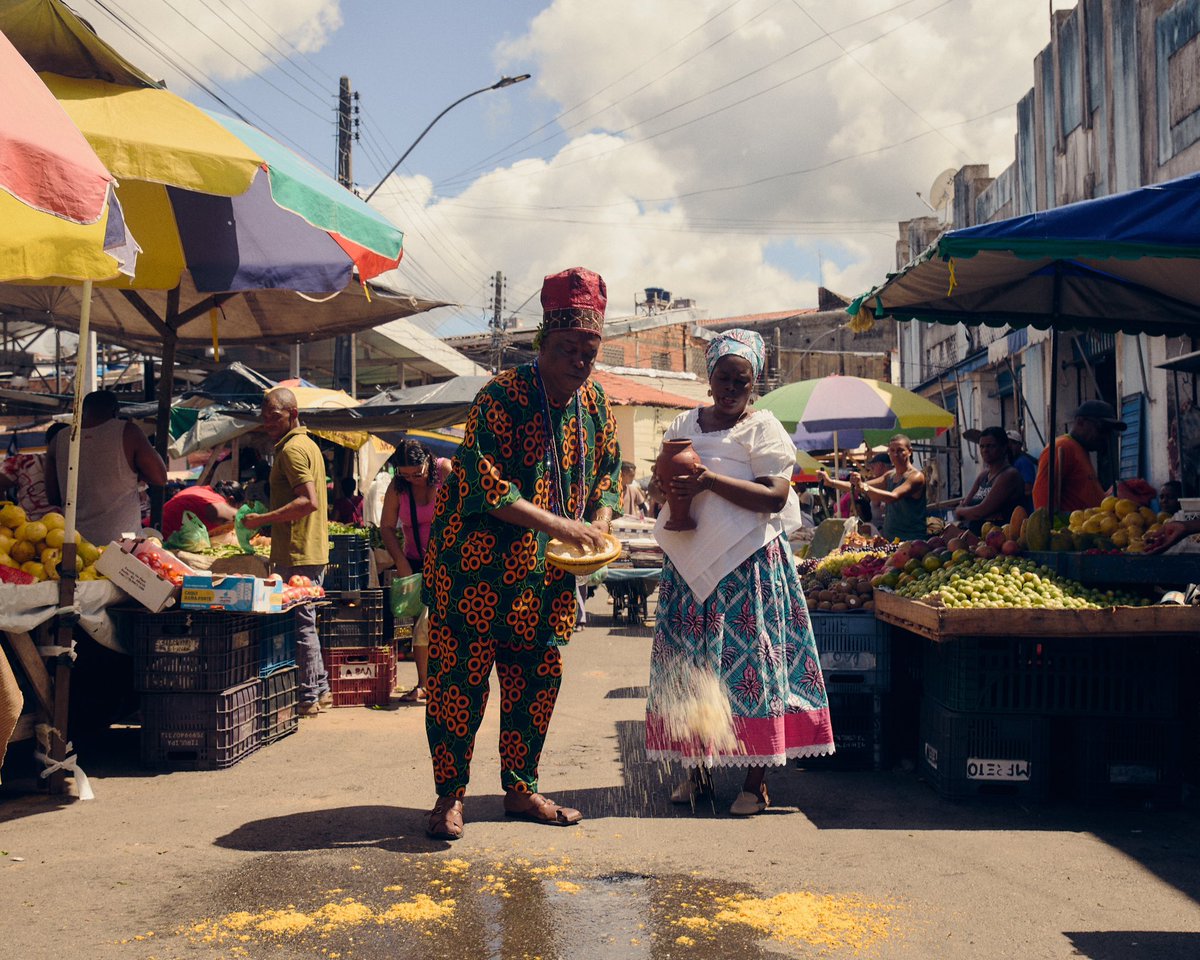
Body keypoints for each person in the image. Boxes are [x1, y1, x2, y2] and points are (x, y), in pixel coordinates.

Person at [421, 266, 621, 842]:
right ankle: (448, 797)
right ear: (542, 343)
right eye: (566, 350)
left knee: (536, 683)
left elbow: (608, 474)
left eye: (588, 351)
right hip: (473, 574)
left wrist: (600, 519)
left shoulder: (596, 406)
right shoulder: (500, 398)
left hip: (547, 579)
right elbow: (488, 487)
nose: (579, 363)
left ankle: (520, 788)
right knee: (458, 686)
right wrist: (561, 522)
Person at [647, 329, 834, 816]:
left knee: (751, 669)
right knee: (692, 668)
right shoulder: (685, 423)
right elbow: (657, 486)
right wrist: (663, 483)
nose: (731, 388)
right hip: (689, 569)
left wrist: (706, 479)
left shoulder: (764, 427)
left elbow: (774, 497)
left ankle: (756, 782)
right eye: (723, 378)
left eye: (742, 381)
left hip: (748, 569)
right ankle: (697, 772)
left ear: (754, 383)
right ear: (709, 379)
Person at [241, 388, 331, 718]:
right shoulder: (306, 445)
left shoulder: (292, 450)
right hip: (307, 548)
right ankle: (320, 690)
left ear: (292, 414)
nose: (267, 423)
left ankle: (309, 695)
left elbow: (308, 501)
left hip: (298, 551)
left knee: (302, 624)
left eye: (274, 417)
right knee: (306, 621)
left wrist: (262, 519)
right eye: (264, 417)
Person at [379, 439, 452, 705]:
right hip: (416, 563)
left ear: (428, 462)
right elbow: (386, 527)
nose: (413, 479)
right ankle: (425, 683)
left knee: (442, 624)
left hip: (450, 562)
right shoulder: (398, 487)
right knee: (422, 624)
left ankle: (445, 681)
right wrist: (401, 561)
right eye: (405, 474)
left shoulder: (445, 471)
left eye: (417, 474)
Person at [46, 390, 167, 546]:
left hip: (75, 542)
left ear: (83, 411)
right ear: (115, 410)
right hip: (122, 544)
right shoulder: (127, 431)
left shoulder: (60, 439)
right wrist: (136, 474)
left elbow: (53, 497)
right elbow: (160, 478)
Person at [818, 434, 927, 541]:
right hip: (891, 541)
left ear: (910, 451)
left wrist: (863, 486)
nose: (895, 454)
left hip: (913, 541)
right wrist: (831, 482)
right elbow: (855, 487)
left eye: (900, 450)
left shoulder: (916, 476)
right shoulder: (890, 475)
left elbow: (893, 497)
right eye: (892, 451)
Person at [1032, 400, 1126, 513]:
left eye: (1109, 432)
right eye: (1102, 429)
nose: (1105, 436)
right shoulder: (1061, 447)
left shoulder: (1081, 450)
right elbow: (1043, 505)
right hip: (1072, 529)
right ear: (1081, 422)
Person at [954, 427, 1025, 533]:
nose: (985, 450)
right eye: (982, 446)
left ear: (1004, 447)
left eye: (990, 446)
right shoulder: (983, 475)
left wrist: (960, 511)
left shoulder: (1009, 475)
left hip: (999, 540)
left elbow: (979, 512)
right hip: (974, 538)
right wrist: (964, 510)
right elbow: (966, 504)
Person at [0, 422, 68, 520]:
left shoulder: (81, 465)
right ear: (49, 444)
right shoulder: (24, 462)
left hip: (64, 530)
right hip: (26, 529)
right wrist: (5, 512)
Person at [160, 481, 243, 538]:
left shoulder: (200, 489)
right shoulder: (214, 499)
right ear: (231, 499)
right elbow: (237, 517)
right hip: (157, 538)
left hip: (153, 529)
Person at [1005, 429, 1037, 513]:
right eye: (1007, 443)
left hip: (1023, 511)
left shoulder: (1023, 462)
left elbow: (1028, 489)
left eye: (1012, 443)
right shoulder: (1011, 463)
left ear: (1019, 445)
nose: (1009, 446)